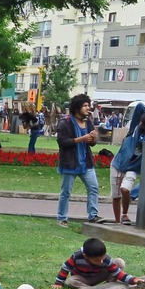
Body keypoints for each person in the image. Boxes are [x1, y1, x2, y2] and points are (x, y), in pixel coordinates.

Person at [56, 93, 108, 226]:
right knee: (66, 192)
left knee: (93, 188)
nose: (88, 108)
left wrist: (94, 138)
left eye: (88, 105)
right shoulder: (65, 122)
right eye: (85, 105)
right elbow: (62, 142)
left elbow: (91, 144)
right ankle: (62, 218)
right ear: (77, 107)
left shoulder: (88, 122)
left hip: (86, 163)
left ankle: (93, 215)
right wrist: (82, 138)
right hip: (70, 163)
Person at [52, 237, 144, 289]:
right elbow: (65, 268)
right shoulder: (77, 256)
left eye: (102, 258)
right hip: (83, 278)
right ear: (85, 256)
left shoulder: (106, 260)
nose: (100, 261)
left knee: (119, 262)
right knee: (70, 281)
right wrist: (58, 283)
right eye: (96, 260)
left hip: (99, 275)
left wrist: (133, 280)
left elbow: (118, 272)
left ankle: (109, 284)